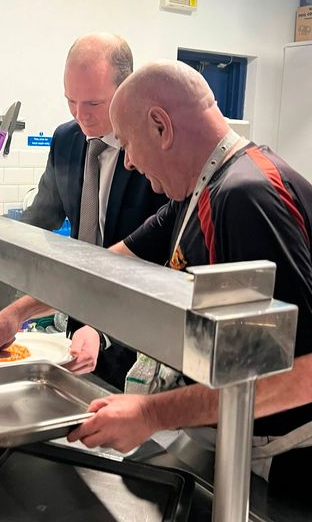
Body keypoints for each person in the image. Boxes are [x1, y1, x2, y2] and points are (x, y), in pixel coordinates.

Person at [67, 59, 312, 493]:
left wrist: (151, 414)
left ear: (161, 126)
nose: (126, 163)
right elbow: (111, 265)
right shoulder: (199, 189)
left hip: (288, 463)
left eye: (126, 145)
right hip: (235, 441)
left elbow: (302, 373)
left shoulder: (246, 196)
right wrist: (21, 308)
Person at [0, 33, 167, 389]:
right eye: (71, 101)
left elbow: (155, 264)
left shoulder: (150, 151)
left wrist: (103, 329)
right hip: (77, 322)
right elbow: (42, 216)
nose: (79, 115)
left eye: (93, 104)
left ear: (126, 90)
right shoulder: (66, 139)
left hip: (136, 341)